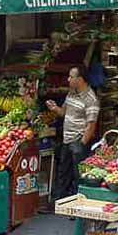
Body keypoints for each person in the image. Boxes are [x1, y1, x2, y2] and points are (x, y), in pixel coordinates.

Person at [46, 64, 100, 201]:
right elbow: (64, 112)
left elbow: (91, 125)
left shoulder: (91, 99)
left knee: (78, 175)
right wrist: (55, 108)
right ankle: (59, 201)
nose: (68, 79)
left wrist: (81, 144)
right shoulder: (71, 93)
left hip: (78, 140)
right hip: (67, 139)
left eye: (71, 77)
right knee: (63, 172)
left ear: (80, 79)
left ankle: (79, 203)